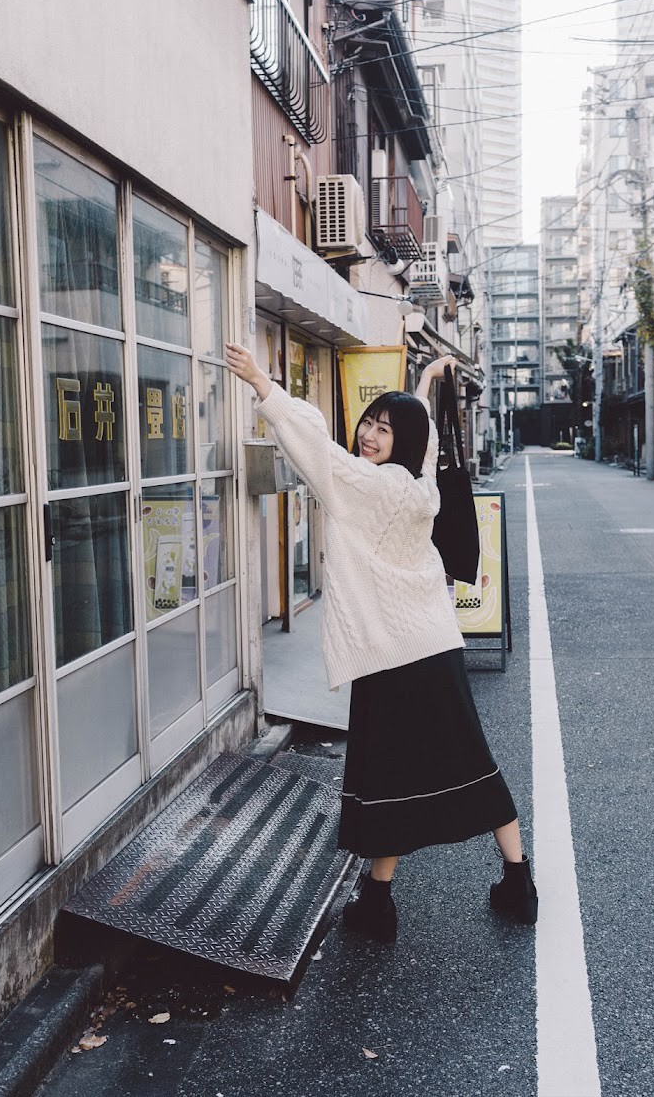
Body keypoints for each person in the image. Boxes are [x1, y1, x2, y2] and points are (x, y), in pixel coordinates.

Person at [224, 342, 538, 944]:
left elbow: (315, 448)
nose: (368, 435)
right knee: (470, 761)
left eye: (383, 429)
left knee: (386, 776)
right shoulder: (422, 487)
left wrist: (263, 383)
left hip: (390, 655)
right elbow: (427, 440)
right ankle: (516, 881)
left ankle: (377, 904)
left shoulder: (363, 486)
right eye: (369, 422)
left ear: (402, 440)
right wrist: (424, 380)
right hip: (437, 646)